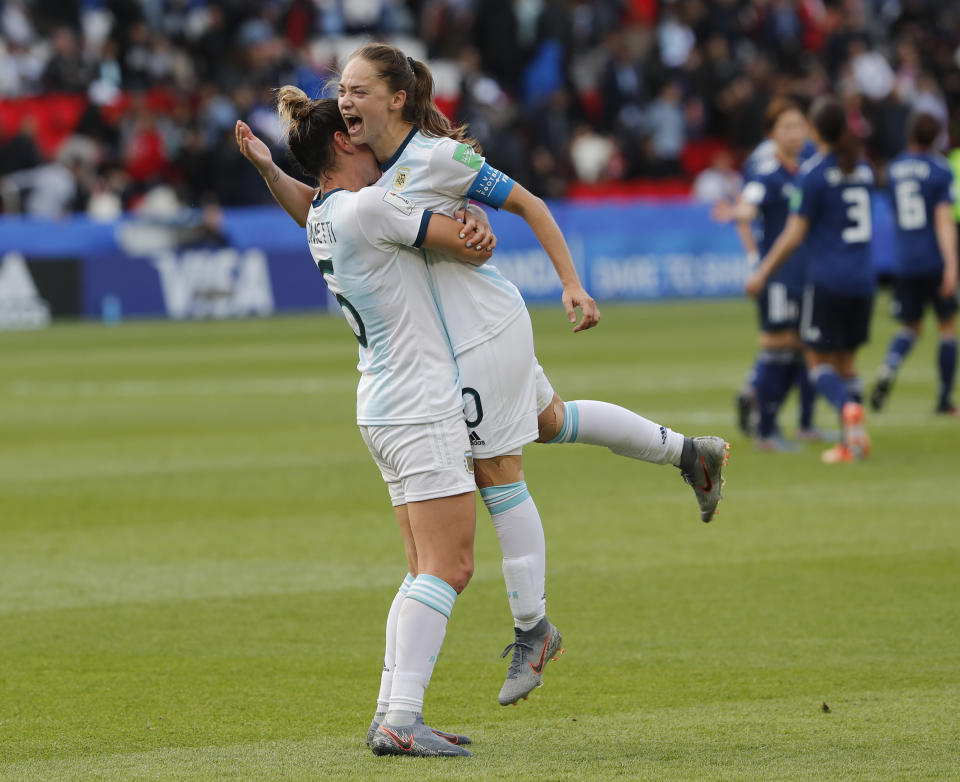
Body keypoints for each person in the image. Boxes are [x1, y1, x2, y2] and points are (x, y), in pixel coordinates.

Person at [240, 44, 729, 710]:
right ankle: (687, 452)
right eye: (342, 91)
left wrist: (571, 283)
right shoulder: (367, 174)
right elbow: (325, 211)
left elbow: (528, 203)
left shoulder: (438, 159)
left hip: (479, 332)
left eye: (357, 89)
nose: (346, 99)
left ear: (396, 99)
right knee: (552, 422)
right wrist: (273, 169)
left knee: (496, 467)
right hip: (462, 333)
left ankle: (534, 629)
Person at [273, 90, 491, 757]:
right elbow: (471, 248)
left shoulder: (325, 214)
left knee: (422, 566)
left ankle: (391, 711)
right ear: (342, 142)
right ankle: (401, 719)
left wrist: (263, 165)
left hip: (382, 401)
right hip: (420, 402)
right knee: (450, 566)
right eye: (361, 129)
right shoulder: (370, 205)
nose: (376, 136)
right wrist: (472, 214)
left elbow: (306, 198)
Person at [746, 97, 875, 463]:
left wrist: (762, 271)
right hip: (864, 281)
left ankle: (848, 412)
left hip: (828, 281)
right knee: (848, 364)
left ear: (815, 130)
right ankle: (855, 440)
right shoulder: (862, 168)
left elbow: (793, 235)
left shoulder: (814, 173)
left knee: (817, 362)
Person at [713, 99, 819, 449]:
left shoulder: (809, 168)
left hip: (807, 270)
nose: (795, 134)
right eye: (787, 128)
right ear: (772, 134)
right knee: (780, 346)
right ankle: (766, 426)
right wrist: (736, 213)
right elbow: (749, 206)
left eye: (799, 126)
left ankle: (798, 420)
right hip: (777, 273)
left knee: (806, 345)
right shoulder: (766, 173)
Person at [870, 112, 958, 416]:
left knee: (910, 327)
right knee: (947, 327)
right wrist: (951, 264)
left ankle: (889, 366)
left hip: (905, 260)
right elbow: (943, 220)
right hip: (933, 258)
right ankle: (945, 400)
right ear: (936, 137)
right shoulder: (939, 169)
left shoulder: (893, 169)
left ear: (910, 134)